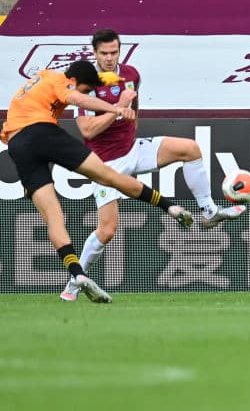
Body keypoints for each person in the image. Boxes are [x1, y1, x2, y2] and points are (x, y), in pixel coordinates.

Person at [59, 28, 246, 302]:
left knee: (190, 148)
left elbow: (134, 107)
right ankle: (73, 285)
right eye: (104, 53)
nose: (110, 58)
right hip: (104, 164)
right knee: (108, 230)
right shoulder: (86, 85)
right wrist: (116, 110)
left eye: (114, 52)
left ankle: (208, 212)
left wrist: (131, 124)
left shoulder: (131, 75)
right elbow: (87, 131)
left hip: (133, 148)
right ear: (94, 54)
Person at [2, 60, 194, 304]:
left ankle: (77, 274)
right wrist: (116, 109)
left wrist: (105, 82)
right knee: (108, 176)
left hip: (18, 145)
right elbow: (78, 99)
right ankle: (170, 207)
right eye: (83, 88)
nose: (81, 93)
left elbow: (77, 84)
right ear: (76, 82)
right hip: (41, 132)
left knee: (53, 216)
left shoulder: (46, 75)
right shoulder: (64, 83)